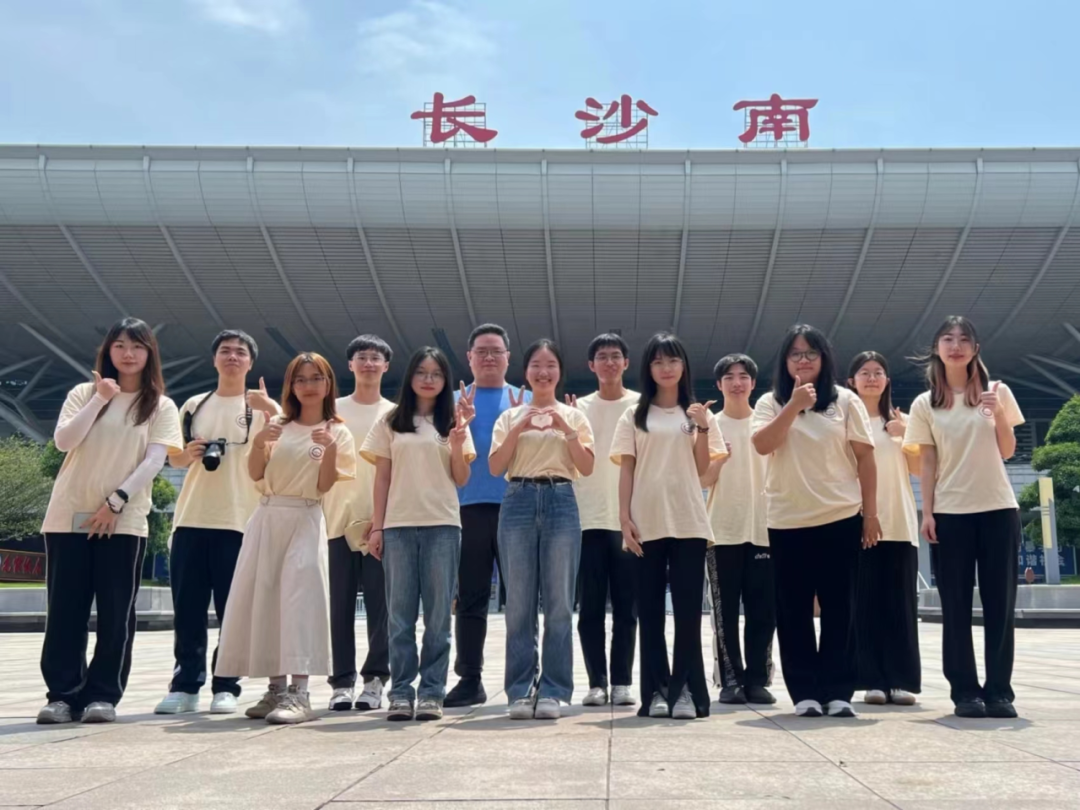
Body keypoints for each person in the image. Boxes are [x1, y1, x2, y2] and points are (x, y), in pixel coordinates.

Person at [37, 318, 183, 725]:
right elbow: (64, 441)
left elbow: (154, 461)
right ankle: (62, 695)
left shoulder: (160, 405)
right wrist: (100, 399)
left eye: (137, 346)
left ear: (150, 353)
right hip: (68, 516)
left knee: (116, 613)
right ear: (107, 351)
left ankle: (102, 694)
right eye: (119, 345)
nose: (128, 353)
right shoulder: (83, 393)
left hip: (123, 519)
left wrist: (115, 502)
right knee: (65, 611)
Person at [215, 352, 356, 725]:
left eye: (316, 378)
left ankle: (300, 692)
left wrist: (329, 449)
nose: (308, 386)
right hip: (267, 516)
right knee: (266, 599)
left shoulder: (337, 431)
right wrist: (260, 441)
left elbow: (325, 485)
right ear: (291, 385)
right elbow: (255, 473)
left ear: (328, 383)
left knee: (300, 600)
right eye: (300, 379)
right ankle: (275, 689)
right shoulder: (277, 425)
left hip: (306, 516)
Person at [751, 324, 880, 719]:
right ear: (784, 361)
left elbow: (865, 458)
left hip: (840, 517)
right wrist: (793, 406)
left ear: (824, 358)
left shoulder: (845, 400)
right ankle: (805, 691)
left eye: (811, 353)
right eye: (795, 353)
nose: (803, 360)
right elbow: (762, 445)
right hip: (788, 520)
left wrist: (871, 514)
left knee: (841, 609)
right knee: (793, 611)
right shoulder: (770, 402)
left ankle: (839, 691)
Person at [904, 316, 1024, 719]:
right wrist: (928, 512)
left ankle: (1000, 691)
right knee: (955, 607)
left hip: (998, 509)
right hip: (951, 513)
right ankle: (965, 692)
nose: (955, 346)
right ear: (937, 349)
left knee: (999, 605)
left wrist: (998, 413)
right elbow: (928, 462)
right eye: (947, 339)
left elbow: (1007, 450)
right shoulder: (925, 404)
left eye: (963, 339)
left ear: (976, 349)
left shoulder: (997, 391)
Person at [154, 330, 278, 716]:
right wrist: (190, 453)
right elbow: (173, 458)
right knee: (188, 608)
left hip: (240, 520)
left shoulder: (262, 406)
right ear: (214, 359)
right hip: (191, 517)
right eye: (225, 351)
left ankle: (227, 684)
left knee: (233, 610)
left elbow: (279, 453)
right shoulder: (194, 404)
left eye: (240, 352)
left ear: (251, 362)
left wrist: (270, 411)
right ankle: (185, 685)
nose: (232, 357)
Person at [612, 332, 726, 720]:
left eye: (673, 360)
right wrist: (624, 518)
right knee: (650, 614)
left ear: (683, 366)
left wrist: (703, 427)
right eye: (658, 361)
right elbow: (627, 469)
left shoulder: (697, 414)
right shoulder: (634, 415)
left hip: (689, 521)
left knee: (689, 613)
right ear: (648, 368)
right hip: (646, 522)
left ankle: (686, 692)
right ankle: (657, 693)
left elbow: (702, 470)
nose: (666, 368)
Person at [361, 348, 475, 722]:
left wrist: (457, 443)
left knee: (439, 618)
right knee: (399, 618)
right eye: (422, 372)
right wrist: (377, 526)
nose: (428, 379)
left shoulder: (453, 420)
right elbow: (382, 478)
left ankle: (431, 692)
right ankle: (400, 692)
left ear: (445, 380)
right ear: (410, 376)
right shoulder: (391, 421)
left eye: (436, 374)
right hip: (398, 527)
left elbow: (461, 478)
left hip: (443, 525)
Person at [490, 339, 594, 720]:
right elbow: (495, 467)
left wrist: (566, 429)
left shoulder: (574, 417)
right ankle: (520, 689)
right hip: (518, 498)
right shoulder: (509, 416)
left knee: (559, 603)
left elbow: (587, 467)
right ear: (526, 372)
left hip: (561, 499)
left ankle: (553, 689)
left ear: (560, 372)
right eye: (536, 364)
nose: (543, 372)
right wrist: (519, 427)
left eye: (550, 365)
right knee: (518, 603)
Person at [445, 323, 531, 708]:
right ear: (469, 358)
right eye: (481, 351)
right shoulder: (450, 402)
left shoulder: (526, 399)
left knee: (523, 599)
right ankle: (469, 679)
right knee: (471, 598)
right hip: (466, 509)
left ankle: (525, 679)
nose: (489, 357)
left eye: (497, 351)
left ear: (509, 358)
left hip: (519, 506)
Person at [320, 335, 396, 712]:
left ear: (386, 366)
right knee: (339, 608)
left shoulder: (396, 414)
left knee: (383, 608)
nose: (368, 363)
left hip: (382, 523)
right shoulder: (330, 410)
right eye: (361, 357)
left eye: (375, 358)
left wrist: (382, 520)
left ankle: (375, 679)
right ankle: (341, 682)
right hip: (335, 520)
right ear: (349, 365)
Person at [701, 353, 776, 706]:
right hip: (722, 531)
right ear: (719, 385)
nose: (736, 382)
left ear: (753, 383)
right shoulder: (710, 426)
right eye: (729, 377)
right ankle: (730, 680)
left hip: (765, 528)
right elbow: (702, 479)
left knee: (763, 610)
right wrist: (720, 461)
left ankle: (758, 679)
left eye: (743, 376)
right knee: (725, 612)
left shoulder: (767, 423)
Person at [848, 351, 922, 708]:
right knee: (864, 604)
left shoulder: (902, 421)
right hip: (858, 521)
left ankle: (900, 679)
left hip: (898, 523)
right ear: (851, 382)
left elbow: (921, 468)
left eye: (878, 372)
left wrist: (906, 435)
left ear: (887, 381)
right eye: (864, 373)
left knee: (900, 605)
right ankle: (872, 680)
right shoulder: (846, 422)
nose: (872, 378)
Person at [573, 333, 640, 708]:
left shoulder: (641, 405)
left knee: (627, 608)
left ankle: (623, 682)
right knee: (591, 609)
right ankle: (597, 682)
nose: (610, 362)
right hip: (587, 520)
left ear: (626, 363)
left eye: (616, 356)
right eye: (602, 357)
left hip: (630, 521)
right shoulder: (578, 407)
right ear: (591, 365)